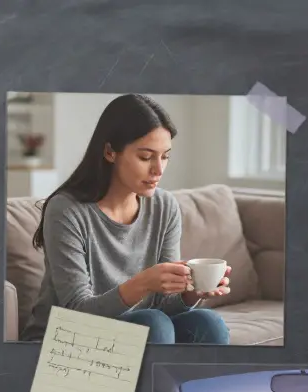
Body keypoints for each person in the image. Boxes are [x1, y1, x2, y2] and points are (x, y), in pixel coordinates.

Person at [21, 93, 232, 344]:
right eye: (145, 157)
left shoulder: (164, 207)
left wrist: (191, 293)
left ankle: (184, 385)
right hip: (62, 341)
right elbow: (76, 312)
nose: (158, 169)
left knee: (208, 323)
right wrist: (142, 283)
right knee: (153, 324)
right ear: (110, 152)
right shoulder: (67, 210)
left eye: (165, 156)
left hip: (133, 331)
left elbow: (164, 306)